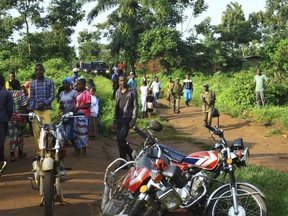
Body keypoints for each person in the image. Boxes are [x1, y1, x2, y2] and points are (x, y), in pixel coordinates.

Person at [30, 64, 55, 155]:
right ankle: (39, 153)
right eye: (36, 70)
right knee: (37, 132)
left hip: (46, 110)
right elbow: (31, 98)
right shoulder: (32, 83)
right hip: (36, 111)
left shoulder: (49, 82)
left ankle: (48, 152)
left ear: (43, 70)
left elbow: (52, 96)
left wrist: (44, 103)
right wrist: (32, 108)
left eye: (40, 70)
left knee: (48, 132)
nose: (38, 72)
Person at [113, 75, 138, 164]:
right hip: (119, 118)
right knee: (120, 140)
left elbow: (135, 106)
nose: (122, 82)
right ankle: (124, 161)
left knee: (121, 138)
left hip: (127, 118)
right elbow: (116, 107)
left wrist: (133, 119)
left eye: (123, 80)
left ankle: (131, 154)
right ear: (118, 81)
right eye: (120, 81)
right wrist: (114, 120)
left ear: (126, 80)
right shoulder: (118, 92)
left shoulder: (132, 92)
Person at [8, 79, 28, 162]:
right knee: (20, 134)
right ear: (18, 85)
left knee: (12, 135)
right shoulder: (21, 94)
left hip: (10, 117)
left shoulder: (8, 94)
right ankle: (20, 153)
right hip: (19, 116)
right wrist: (25, 118)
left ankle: (12, 155)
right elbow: (25, 106)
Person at [73, 78, 91, 157]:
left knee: (83, 134)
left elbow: (88, 104)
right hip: (77, 115)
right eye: (77, 84)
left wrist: (78, 107)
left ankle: (84, 152)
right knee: (76, 133)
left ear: (83, 85)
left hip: (83, 116)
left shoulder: (86, 93)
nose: (78, 86)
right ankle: (78, 150)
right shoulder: (78, 93)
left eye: (79, 84)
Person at [59, 78, 78, 150]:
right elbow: (60, 103)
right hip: (64, 115)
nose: (64, 84)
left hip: (71, 115)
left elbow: (77, 103)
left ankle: (76, 147)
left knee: (67, 134)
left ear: (70, 84)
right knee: (66, 133)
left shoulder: (74, 92)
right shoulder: (61, 93)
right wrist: (60, 108)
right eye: (63, 83)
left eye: (66, 83)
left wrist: (73, 110)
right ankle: (76, 147)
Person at [0, 75, 13, 174]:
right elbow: (10, 109)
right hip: (3, 118)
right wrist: (7, 118)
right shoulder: (6, 94)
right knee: (1, 138)